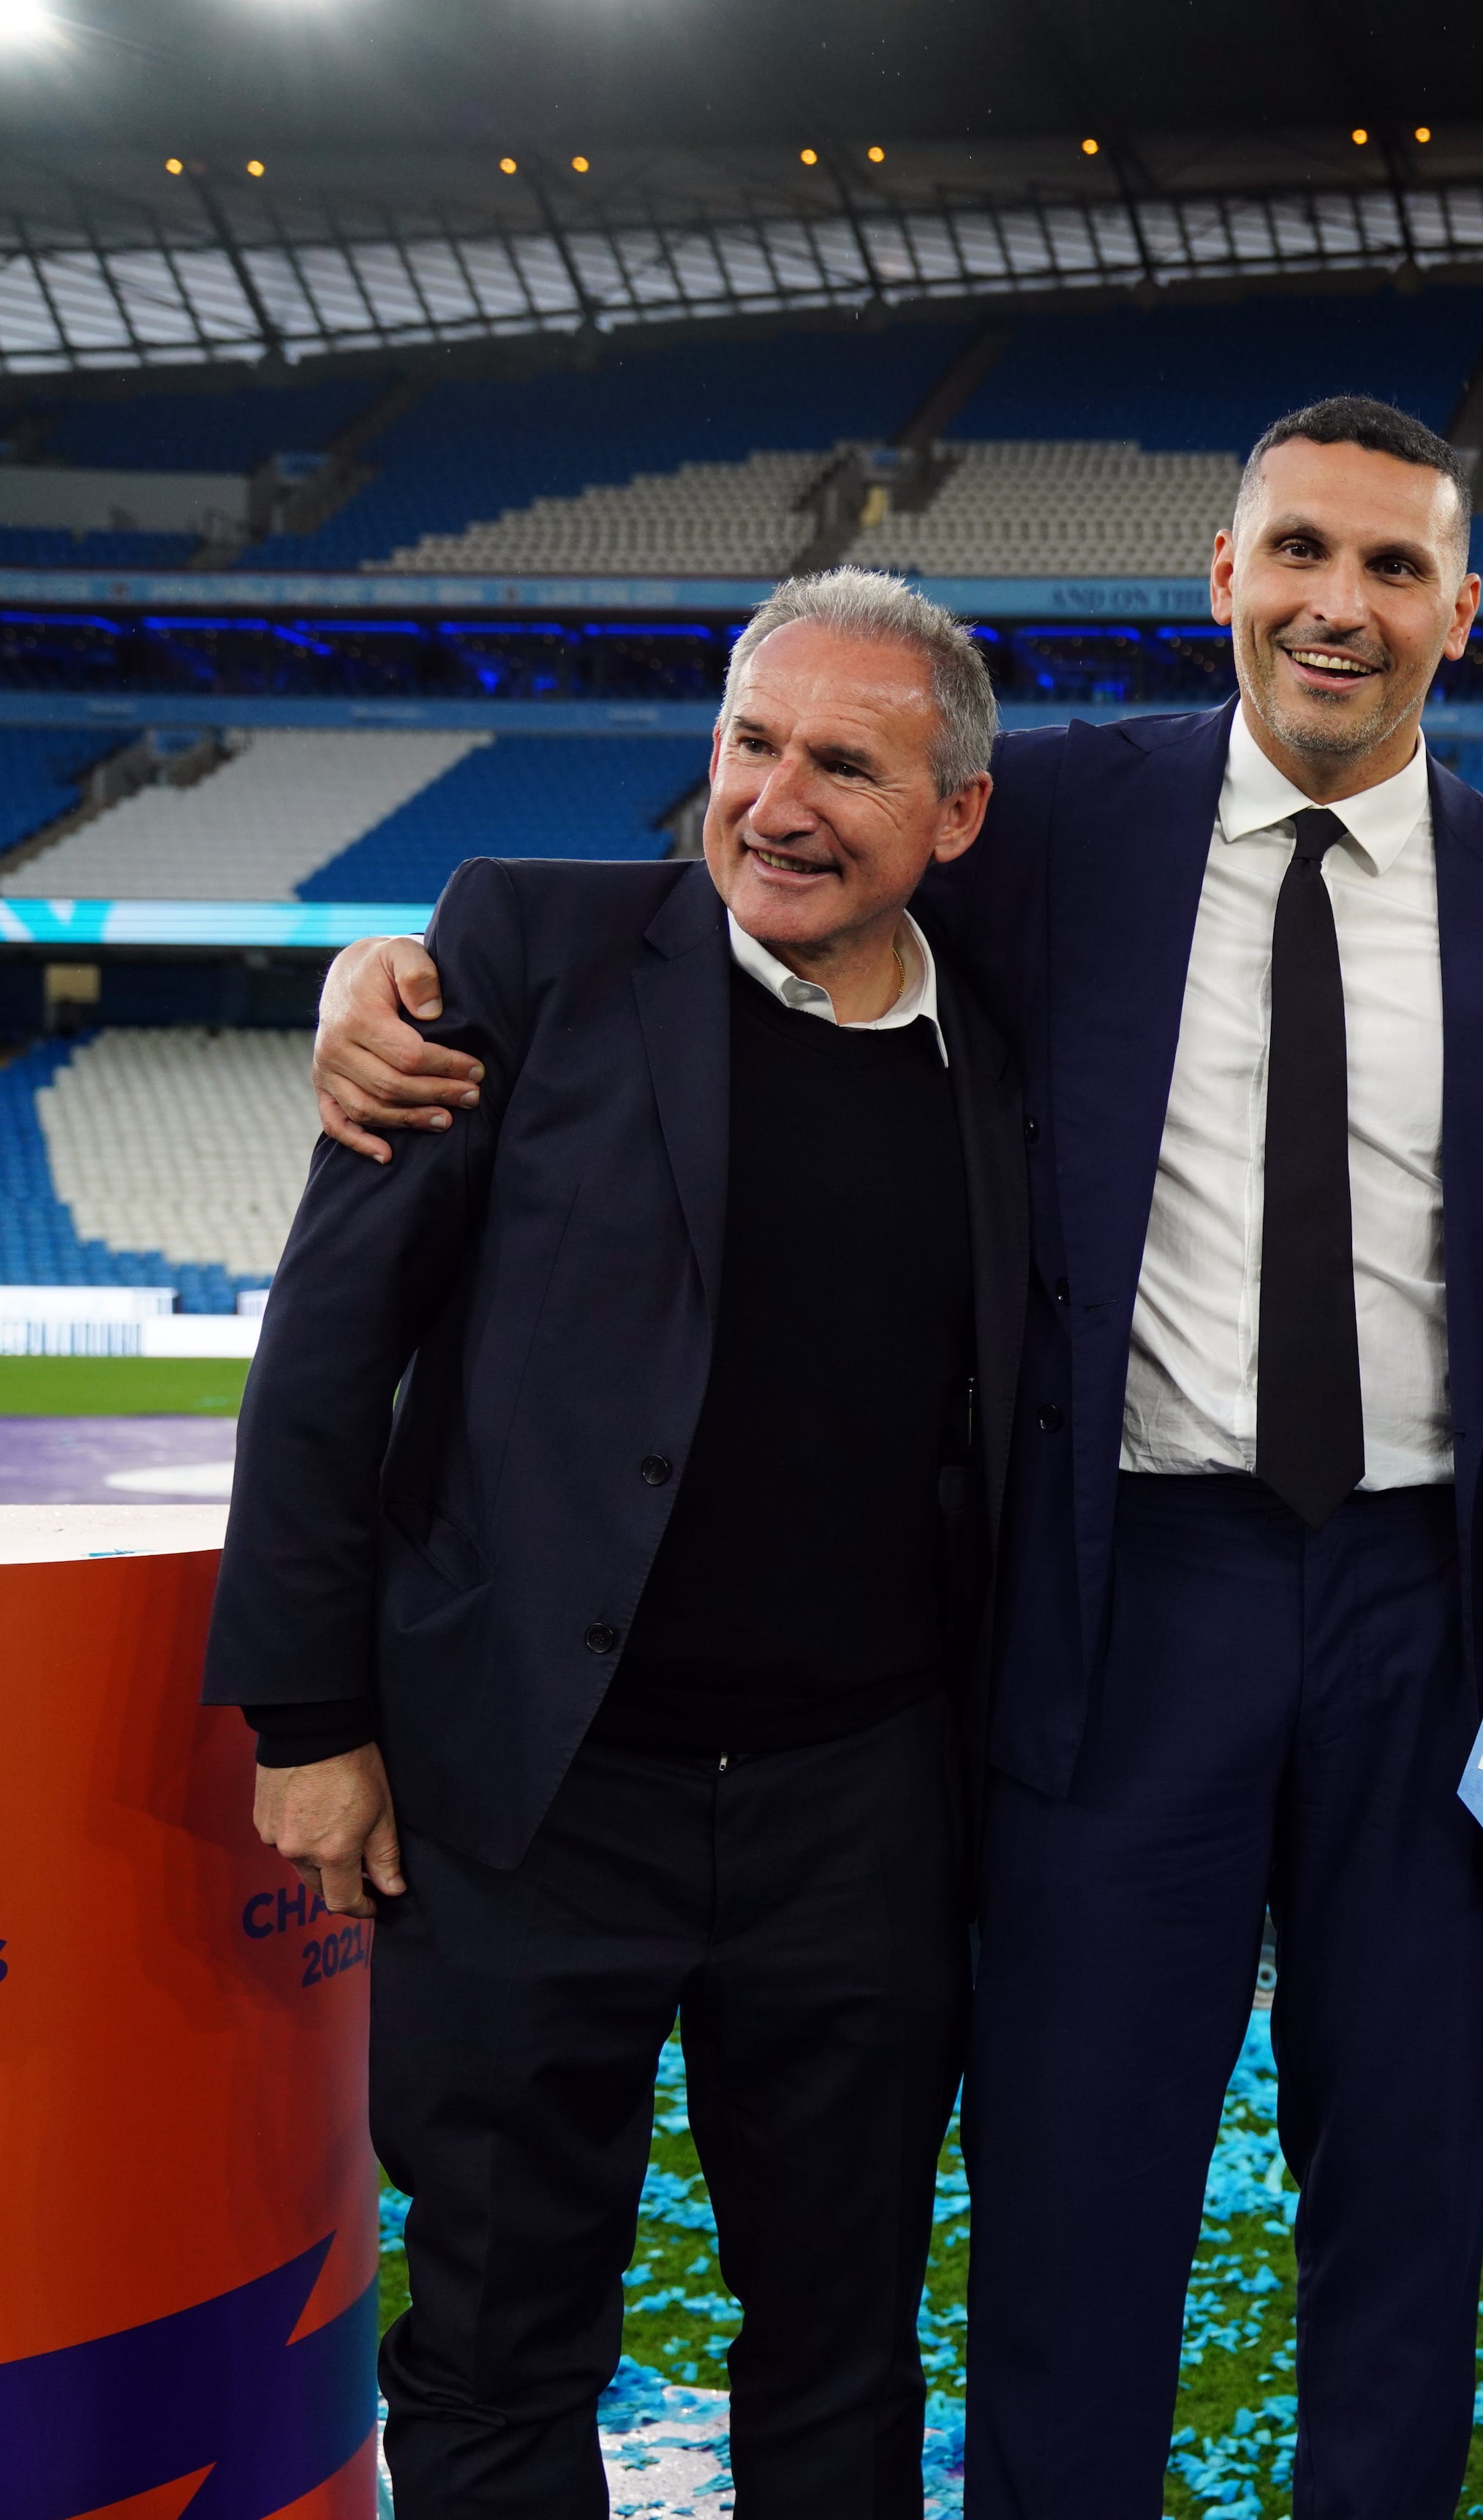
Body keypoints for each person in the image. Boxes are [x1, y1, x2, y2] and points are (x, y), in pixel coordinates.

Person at [306, 399, 1483, 2520]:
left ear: (1464, 612)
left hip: (1435, 1613)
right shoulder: (1046, 836)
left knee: (1405, 2205)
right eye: (1299, 550)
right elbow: (748, 897)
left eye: (1395, 569)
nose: (1338, 604)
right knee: (1069, 2205)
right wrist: (383, 975)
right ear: (1223, 576)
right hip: (1126, 1599)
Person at [211, 568, 1027, 2519]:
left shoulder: (1010, 1049)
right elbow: (332, 1345)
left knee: (840, 2337)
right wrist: (309, 1716)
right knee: (499, 2338)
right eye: (753, 743)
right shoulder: (524, 950)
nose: (780, 800)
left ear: (956, 816)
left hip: (860, 1810)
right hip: (529, 1797)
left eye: (847, 763)